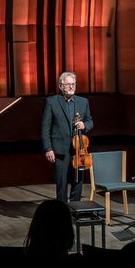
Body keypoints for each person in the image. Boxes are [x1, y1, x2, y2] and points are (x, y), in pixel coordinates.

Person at [41, 71, 93, 202]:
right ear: (61, 86)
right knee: (61, 182)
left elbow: (90, 121)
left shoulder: (83, 102)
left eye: (73, 84)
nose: (71, 87)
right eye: (68, 84)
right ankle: (62, 211)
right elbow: (45, 127)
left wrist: (84, 125)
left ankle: (76, 208)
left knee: (78, 181)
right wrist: (48, 148)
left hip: (79, 150)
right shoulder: (52, 102)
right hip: (60, 149)